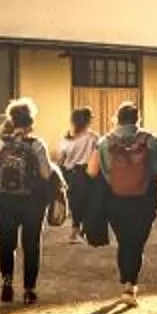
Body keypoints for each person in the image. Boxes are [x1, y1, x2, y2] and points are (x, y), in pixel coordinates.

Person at [0, 99, 58, 304]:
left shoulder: (0, 143)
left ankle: (7, 283)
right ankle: (29, 290)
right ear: (31, 123)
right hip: (32, 200)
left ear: (12, 121)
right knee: (31, 244)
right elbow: (45, 173)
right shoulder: (37, 144)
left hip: (5, 199)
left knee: (6, 243)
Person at [95, 101, 157, 295]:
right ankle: (130, 284)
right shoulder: (152, 140)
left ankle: (126, 281)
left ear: (116, 118)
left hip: (115, 198)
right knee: (136, 242)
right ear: (138, 119)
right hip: (146, 198)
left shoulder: (105, 142)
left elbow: (96, 171)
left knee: (124, 240)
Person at [54, 105, 105, 245]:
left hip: (69, 174)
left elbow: (60, 159)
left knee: (75, 203)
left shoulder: (66, 138)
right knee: (88, 203)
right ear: (87, 121)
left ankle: (76, 231)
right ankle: (80, 232)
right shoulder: (93, 137)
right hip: (86, 173)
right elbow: (98, 156)